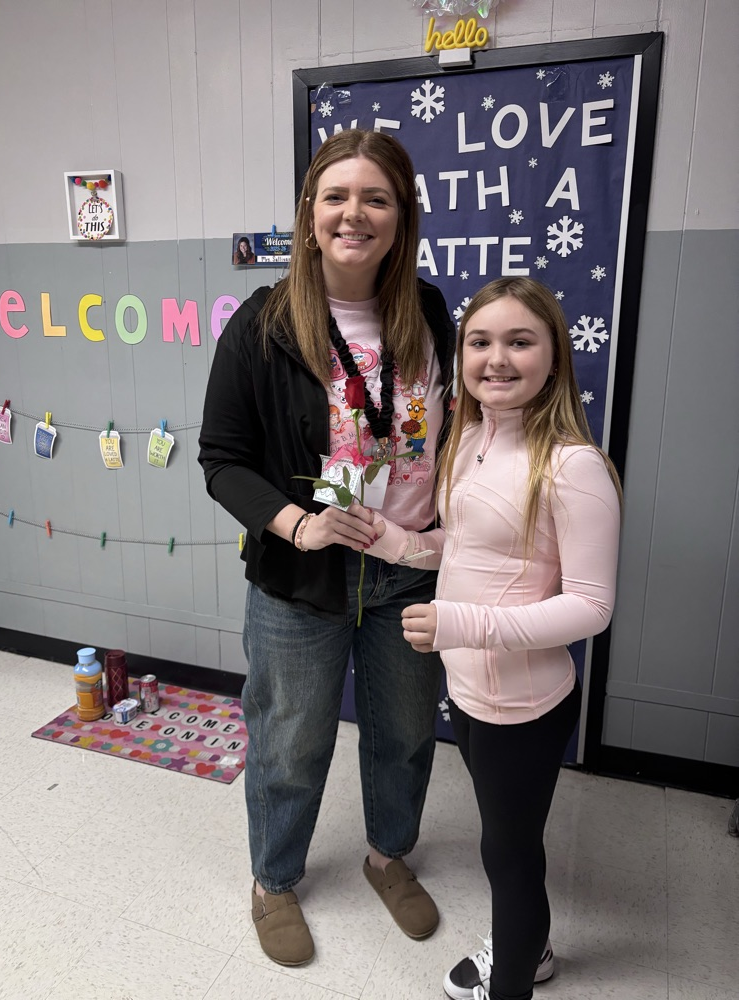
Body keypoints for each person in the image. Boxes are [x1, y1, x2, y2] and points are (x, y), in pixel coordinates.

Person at [198, 129, 455, 967]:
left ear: (402, 216)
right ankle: (274, 880)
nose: (355, 214)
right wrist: (297, 523)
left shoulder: (430, 312)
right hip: (301, 577)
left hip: (408, 570)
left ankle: (388, 856)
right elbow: (222, 458)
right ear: (309, 213)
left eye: (376, 198)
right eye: (336, 196)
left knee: (406, 731)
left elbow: (451, 432)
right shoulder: (263, 324)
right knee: (291, 739)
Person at [366, 277, 622, 1000]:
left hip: (525, 705)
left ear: (554, 355)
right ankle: (529, 951)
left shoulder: (573, 466)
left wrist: (464, 624)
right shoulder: (469, 439)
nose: (497, 358)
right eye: (480, 341)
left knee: (508, 859)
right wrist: (393, 541)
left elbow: (592, 607)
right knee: (507, 846)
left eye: (519, 341)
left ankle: (513, 982)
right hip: (471, 692)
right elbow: (466, 546)